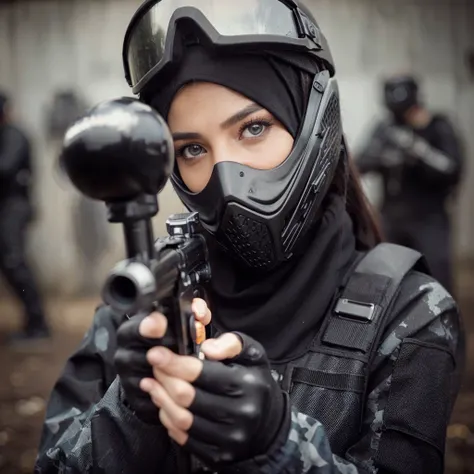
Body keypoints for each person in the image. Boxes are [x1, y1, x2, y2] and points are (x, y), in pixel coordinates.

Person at [35, 2, 464, 473]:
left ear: (311, 125)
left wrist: (280, 450)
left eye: (253, 128)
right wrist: (132, 412)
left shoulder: (410, 313)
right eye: (193, 149)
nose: (227, 178)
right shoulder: (143, 305)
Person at [356, 75, 464, 294]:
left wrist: (417, 150)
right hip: (392, 217)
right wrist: (387, 157)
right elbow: (360, 163)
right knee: (387, 279)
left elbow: (452, 170)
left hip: (429, 218)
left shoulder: (437, 126)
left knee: (437, 280)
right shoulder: (386, 128)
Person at [0, 91, 51, 345]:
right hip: (7, 207)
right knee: (10, 264)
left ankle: (38, 325)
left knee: (14, 262)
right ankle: (33, 322)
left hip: (14, 207)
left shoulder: (14, 134)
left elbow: (6, 167)